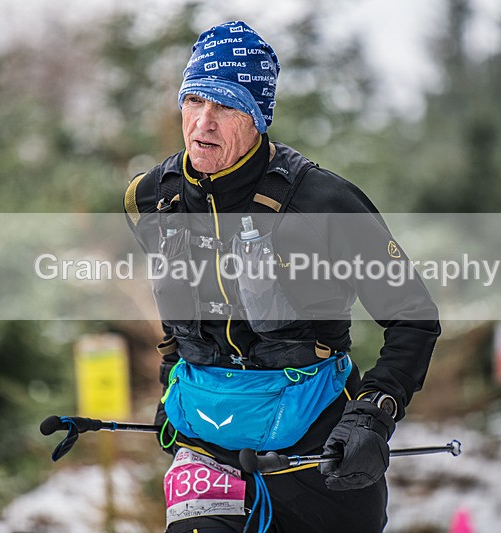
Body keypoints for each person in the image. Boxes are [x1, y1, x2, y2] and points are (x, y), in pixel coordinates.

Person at [124, 21, 440, 533]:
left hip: (320, 452)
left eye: (225, 105)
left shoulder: (324, 204)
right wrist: (171, 382)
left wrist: (373, 414)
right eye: (194, 99)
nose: (203, 121)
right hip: (206, 442)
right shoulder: (149, 201)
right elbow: (176, 312)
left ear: (257, 116)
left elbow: (413, 317)